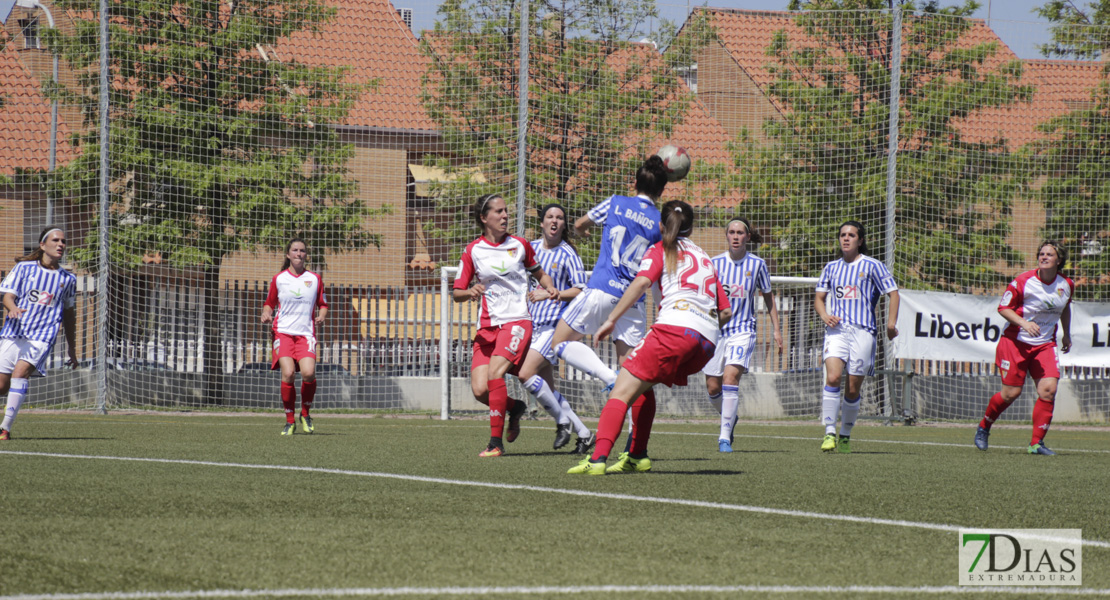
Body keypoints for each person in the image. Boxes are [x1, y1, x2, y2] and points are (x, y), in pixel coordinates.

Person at [569, 200, 731, 475]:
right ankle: (637, 455)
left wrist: (611, 319)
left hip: (674, 329)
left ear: (660, 227)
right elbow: (725, 310)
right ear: (691, 230)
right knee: (643, 385)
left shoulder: (660, 249)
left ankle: (597, 460)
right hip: (706, 342)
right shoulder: (705, 256)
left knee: (620, 391)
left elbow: (642, 282)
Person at [549, 155, 669, 455]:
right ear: (661, 191)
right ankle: (634, 441)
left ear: (635, 183)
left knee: (559, 343)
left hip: (601, 289)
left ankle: (607, 377)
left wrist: (583, 231)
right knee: (635, 375)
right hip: (633, 300)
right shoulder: (659, 222)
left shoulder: (616, 202)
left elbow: (578, 224)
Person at [453, 194, 558, 458]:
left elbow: (539, 273)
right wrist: (470, 291)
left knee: (495, 374)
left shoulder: (520, 245)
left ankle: (495, 443)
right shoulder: (472, 251)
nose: (504, 216)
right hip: (487, 326)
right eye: (498, 212)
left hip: (517, 321)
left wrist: (550, 287)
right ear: (483, 218)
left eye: (506, 212)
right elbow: (456, 292)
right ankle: (515, 407)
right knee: (479, 390)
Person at [974, 241, 1073, 456]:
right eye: (1041, 253)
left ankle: (1036, 444)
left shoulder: (1066, 284)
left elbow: (1065, 308)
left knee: (1048, 391)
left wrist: (1066, 333)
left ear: (1059, 260)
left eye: (1049, 254)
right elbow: (1003, 308)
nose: (1044, 256)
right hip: (1015, 343)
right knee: (1011, 394)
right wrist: (1024, 323)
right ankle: (984, 426)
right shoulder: (1023, 281)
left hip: (1045, 345)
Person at [813, 220, 899, 454]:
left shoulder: (873, 266)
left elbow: (893, 293)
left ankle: (845, 436)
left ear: (860, 240)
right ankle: (829, 432)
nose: (846, 238)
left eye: (851, 235)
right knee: (833, 377)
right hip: (837, 331)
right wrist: (825, 316)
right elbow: (819, 298)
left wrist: (891, 324)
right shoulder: (831, 267)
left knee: (852, 388)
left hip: (863, 332)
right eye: (842, 235)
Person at [518, 203, 595, 452]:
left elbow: (581, 289)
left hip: (554, 326)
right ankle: (584, 433)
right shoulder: (530, 250)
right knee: (547, 390)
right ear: (541, 223)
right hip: (533, 325)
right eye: (549, 217)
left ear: (563, 225)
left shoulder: (567, 254)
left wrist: (553, 294)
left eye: (559, 218)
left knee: (525, 373)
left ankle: (562, 423)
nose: (554, 221)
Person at [704, 217, 782, 453]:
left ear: (748, 237)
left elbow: (768, 296)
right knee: (712, 387)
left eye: (740, 232)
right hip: (717, 332)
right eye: (732, 232)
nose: (736, 236)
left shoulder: (757, 265)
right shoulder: (714, 263)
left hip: (743, 330)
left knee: (730, 379)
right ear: (726, 236)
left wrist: (777, 329)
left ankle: (724, 437)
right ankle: (730, 417)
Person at [0, 227, 78, 441]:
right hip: (14, 332)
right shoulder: (24, 268)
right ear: (43, 245)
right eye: (56, 240)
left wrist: (71, 347)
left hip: (42, 336)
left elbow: (69, 315)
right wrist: (13, 308)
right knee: (2, 386)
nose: (61, 244)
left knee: (20, 373)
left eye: (63, 240)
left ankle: (4, 429)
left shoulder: (68, 279)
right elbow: (8, 296)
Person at [260, 238, 328, 436]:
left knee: (308, 373)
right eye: (295, 250)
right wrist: (266, 313)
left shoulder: (315, 279)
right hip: (283, 332)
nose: (299, 253)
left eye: (303, 251)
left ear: (306, 255)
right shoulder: (279, 278)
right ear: (288, 255)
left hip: (305, 333)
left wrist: (321, 316)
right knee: (288, 373)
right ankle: (290, 420)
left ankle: (305, 414)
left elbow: (323, 304)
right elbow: (269, 303)